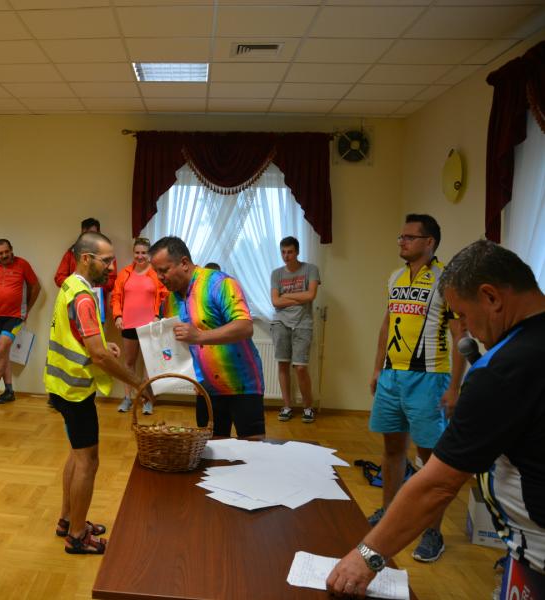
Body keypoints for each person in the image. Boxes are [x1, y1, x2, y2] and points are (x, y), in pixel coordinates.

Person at [327, 240, 545, 597]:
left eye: (463, 315)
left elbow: (439, 484)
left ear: (491, 297)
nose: (465, 328)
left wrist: (366, 557)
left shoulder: (504, 369)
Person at [45, 231, 153, 555]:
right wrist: (139, 384)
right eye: (106, 261)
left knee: (77, 454)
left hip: (62, 385)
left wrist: (105, 346)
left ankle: (68, 520)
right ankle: (77, 536)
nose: (111, 267)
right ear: (86, 258)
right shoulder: (82, 296)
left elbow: (83, 339)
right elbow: (99, 357)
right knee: (88, 461)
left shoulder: (71, 286)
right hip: (75, 390)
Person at [366, 214, 465, 563]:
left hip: (430, 377)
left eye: (410, 237)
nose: (402, 242)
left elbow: (460, 334)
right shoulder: (395, 277)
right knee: (393, 449)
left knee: (431, 460)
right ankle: (388, 513)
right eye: (401, 236)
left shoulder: (446, 279)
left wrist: (455, 387)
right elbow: (387, 323)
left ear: (429, 242)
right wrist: (378, 367)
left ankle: (432, 532)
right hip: (393, 376)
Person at [149, 236, 265, 438]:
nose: (160, 277)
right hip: (205, 390)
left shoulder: (220, 283)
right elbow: (171, 349)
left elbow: (245, 327)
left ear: (184, 263)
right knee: (212, 451)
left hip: (243, 386)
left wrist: (200, 336)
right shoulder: (168, 303)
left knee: (252, 449)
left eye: (164, 270)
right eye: (156, 272)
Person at [110, 236, 167, 414]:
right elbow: (116, 297)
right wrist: (118, 316)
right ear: (133, 253)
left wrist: (158, 315)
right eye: (137, 252)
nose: (140, 256)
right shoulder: (125, 273)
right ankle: (128, 398)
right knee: (129, 363)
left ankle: (147, 399)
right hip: (128, 325)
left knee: (150, 364)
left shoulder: (156, 274)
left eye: (144, 253)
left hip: (150, 326)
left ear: (149, 254)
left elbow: (164, 296)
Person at [0, 238, 40, 405]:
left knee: (1, 349)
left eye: (7, 251)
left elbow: (36, 287)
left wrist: (27, 308)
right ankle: (9, 391)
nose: (4, 255)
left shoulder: (23, 264)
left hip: (15, 315)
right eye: (0, 253)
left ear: (11, 249)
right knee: (4, 352)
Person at [270, 236, 320, 424]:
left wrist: (286, 297)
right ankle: (287, 406)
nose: (286, 256)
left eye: (290, 252)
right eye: (283, 252)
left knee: (300, 367)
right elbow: (275, 301)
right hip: (280, 323)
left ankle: (308, 407)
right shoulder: (276, 274)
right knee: (283, 365)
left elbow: (311, 295)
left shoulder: (310, 269)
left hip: (303, 323)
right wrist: (300, 297)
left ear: (297, 252)